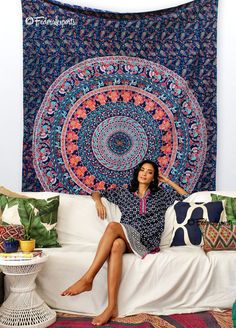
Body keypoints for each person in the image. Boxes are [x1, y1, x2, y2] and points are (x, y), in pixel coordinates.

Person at [61, 159, 188, 326]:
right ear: (137, 173)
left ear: (154, 177)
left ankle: (88, 278)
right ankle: (112, 307)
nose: (144, 174)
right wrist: (98, 202)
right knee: (116, 245)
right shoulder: (124, 193)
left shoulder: (161, 195)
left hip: (147, 239)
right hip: (128, 236)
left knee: (113, 226)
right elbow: (96, 192)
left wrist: (168, 181)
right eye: (142, 170)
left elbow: (186, 197)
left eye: (150, 172)